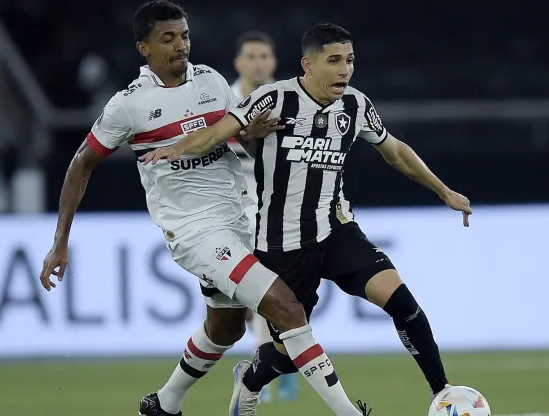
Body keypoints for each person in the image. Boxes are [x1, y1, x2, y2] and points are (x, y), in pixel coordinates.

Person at [38, 3, 371, 416]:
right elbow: (80, 164)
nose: (181, 45)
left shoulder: (212, 81)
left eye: (184, 35)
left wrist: (253, 133)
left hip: (241, 215)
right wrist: (60, 242)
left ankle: (165, 402)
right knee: (286, 307)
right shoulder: (129, 105)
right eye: (168, 38)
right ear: (144, 48)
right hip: (195, 231)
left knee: (226, 327)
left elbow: (235, 137)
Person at [138, 22, 473, 415]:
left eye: (349, 60)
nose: (345, 70)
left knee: (404, 304)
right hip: (283, 246)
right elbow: (218, 132)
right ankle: (250, 380)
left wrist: (444, 191)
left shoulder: (356, 106)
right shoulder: (273, 99)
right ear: (307, 65)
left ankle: (442, 392)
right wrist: (177, 147)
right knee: (286, 355)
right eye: (334, 61)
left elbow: (395, 151)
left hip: (337, 232)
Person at [228, 30, 299, 403]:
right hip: (232, 210)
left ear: (273, 62)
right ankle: (270, 368)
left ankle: (274, 367)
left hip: (281, 210)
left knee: (285, 290)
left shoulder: (289, 101)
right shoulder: (223, 101)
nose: (258, 62)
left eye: (264, 56)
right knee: (251, 298)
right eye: (250, 56)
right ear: (239, 63)